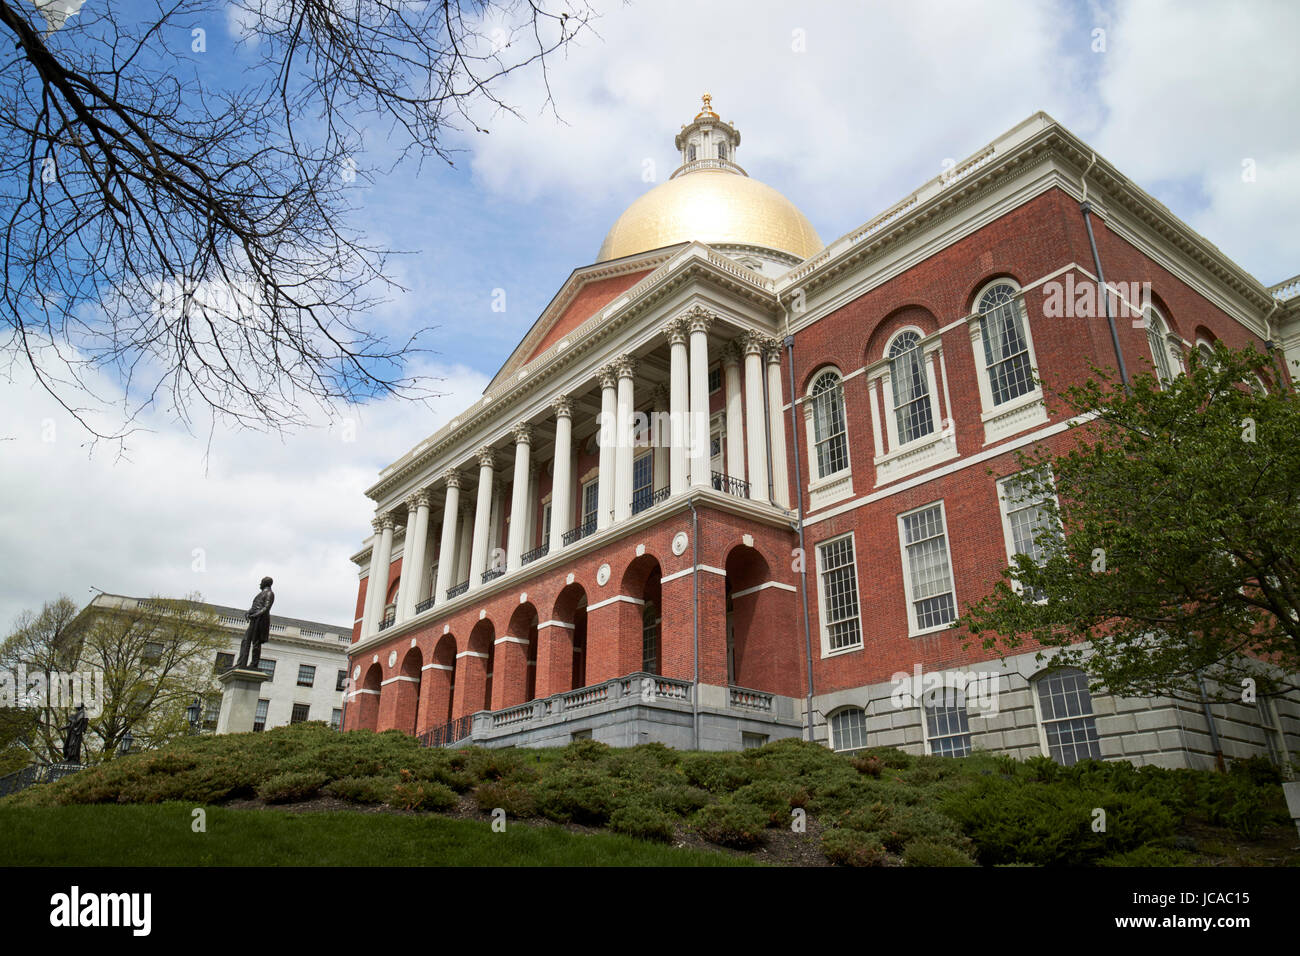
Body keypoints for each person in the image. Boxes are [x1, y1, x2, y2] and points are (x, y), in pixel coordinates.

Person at [235, 576, 275, 668]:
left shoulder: (270, 593)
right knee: (245, 641)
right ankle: (241, 663)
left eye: (261, 582)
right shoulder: (261, 593)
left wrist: (255, 615)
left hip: (260, 620)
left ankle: (254, 664)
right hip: (255, 619)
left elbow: (266, 607)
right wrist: (249, 612)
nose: (260, 584)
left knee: (256, 643)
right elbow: (256, 606)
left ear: (265, 583)